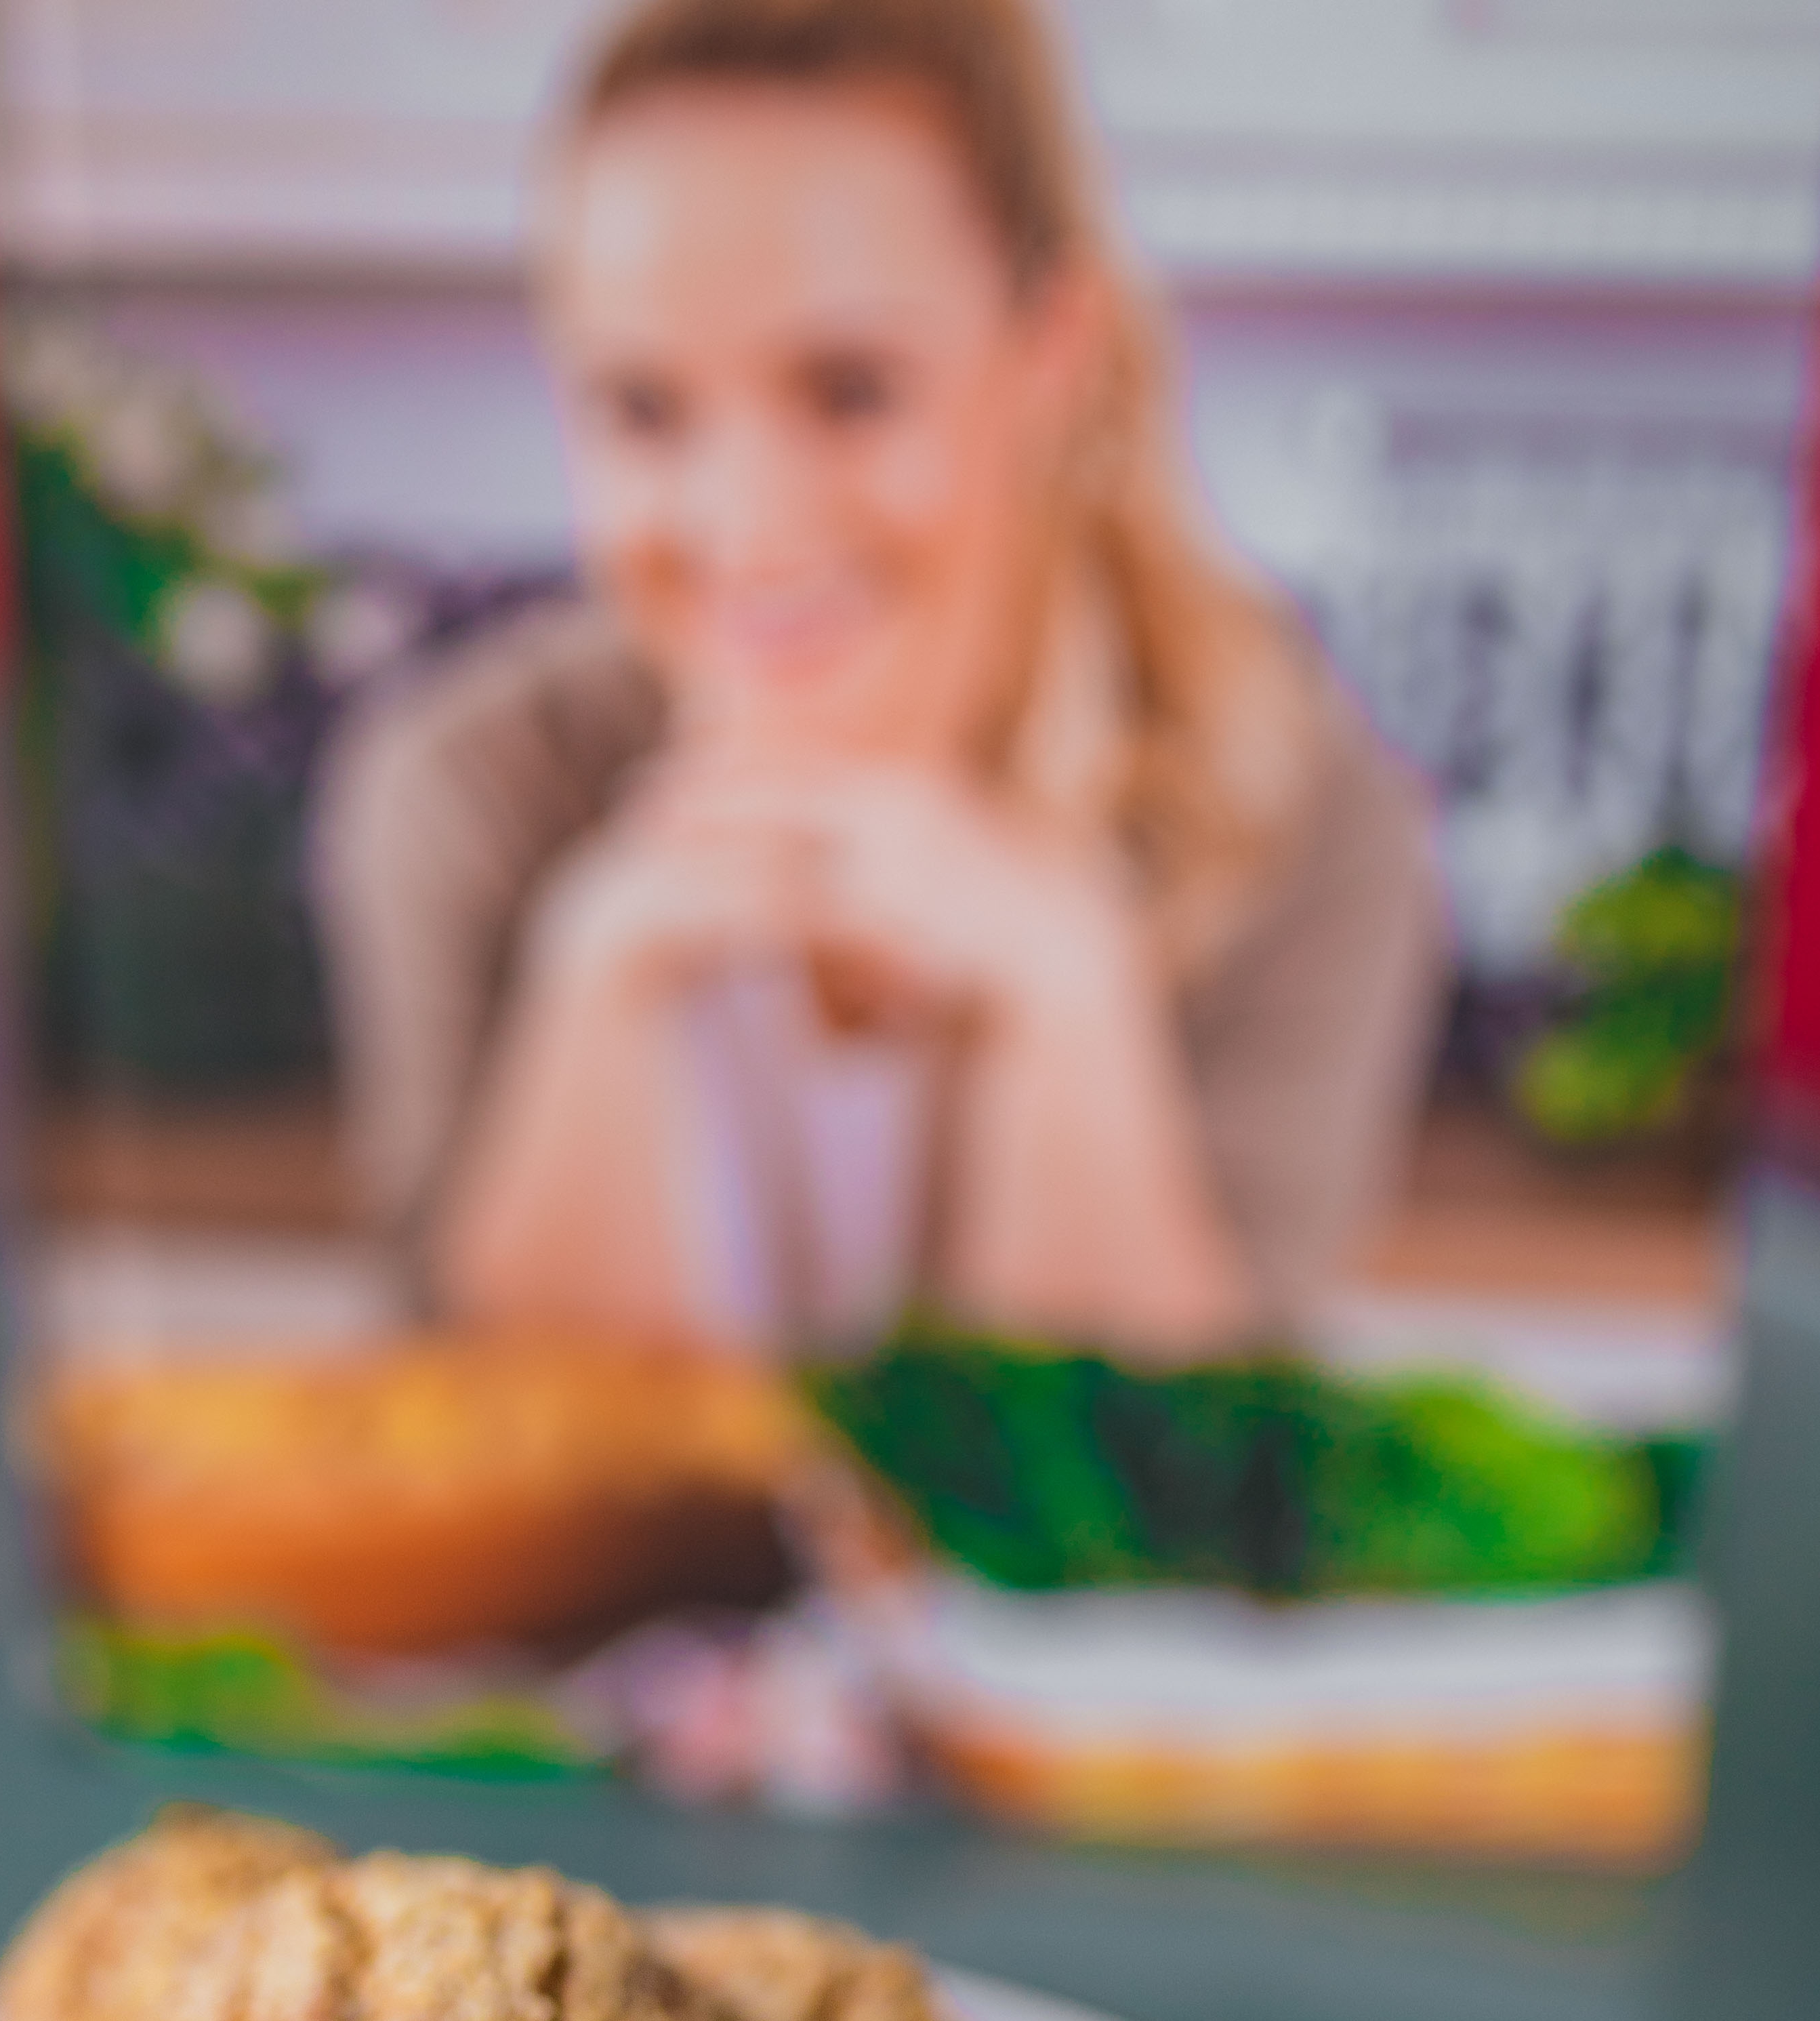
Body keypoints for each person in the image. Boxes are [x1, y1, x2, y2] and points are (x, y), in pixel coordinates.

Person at [314, 0, 1447, 1362]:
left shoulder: (1300, 820)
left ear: (1048, 355)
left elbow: (1154, 1522)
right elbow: (479, 1496)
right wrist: (604, 973)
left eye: (850, 390)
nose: (747, 523)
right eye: (643, 408)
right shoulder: (464, 797)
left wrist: (1065, 994)